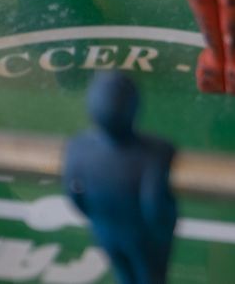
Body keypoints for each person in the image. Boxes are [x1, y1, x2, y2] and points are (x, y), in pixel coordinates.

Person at [62, 73, 178, 284]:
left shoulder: (77, 147)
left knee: (124, 275)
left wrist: (98, 218)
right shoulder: (155, 153)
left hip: (105, 232)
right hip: (143, 237)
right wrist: (166, 227)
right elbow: (154, 205)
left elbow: (73, 194)